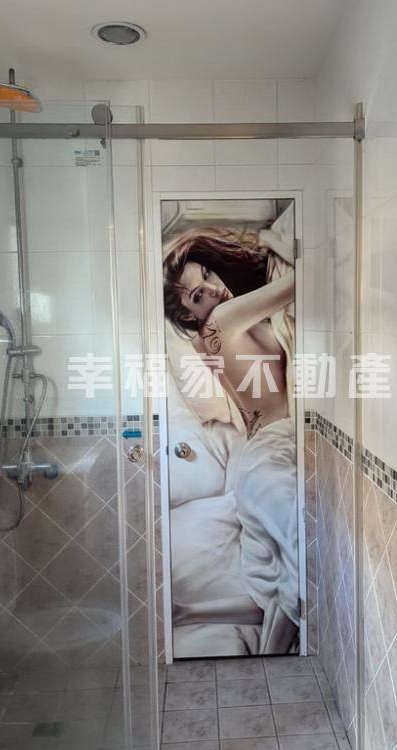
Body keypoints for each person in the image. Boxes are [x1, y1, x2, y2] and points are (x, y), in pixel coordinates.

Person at [163, 225, 300, 653]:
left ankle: (280, 648)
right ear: (190, 315)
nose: (213, 288)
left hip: (265, 453)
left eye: (207, 274)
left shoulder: (215, 332)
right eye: (197, 294)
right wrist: (272, 241)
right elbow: (303, 283)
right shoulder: (220, 323)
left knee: (285, 568)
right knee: (299, 562)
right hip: (271, 453)